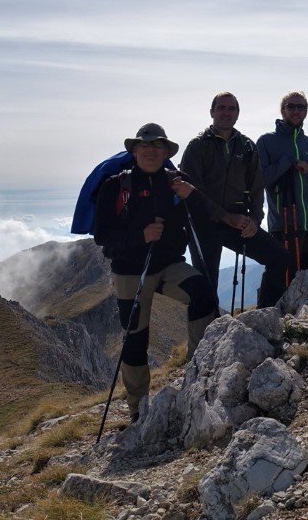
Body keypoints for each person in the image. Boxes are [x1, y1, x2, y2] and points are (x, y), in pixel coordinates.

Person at [94, 123, 215, 422]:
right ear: (133, 151)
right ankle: (138, 408)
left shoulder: (176, 182)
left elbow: (204, 215)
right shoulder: (115, 186)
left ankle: (197, 374)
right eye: (144, 146)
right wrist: (141, 235)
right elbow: (102, 235)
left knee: (202, 293)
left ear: (165, 152)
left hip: (168, 264)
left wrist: (192, 195)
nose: (150, 151)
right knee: (135, 337)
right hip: (129, 271)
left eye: (157, 147)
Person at [178, 92, 293, 309]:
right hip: (203, 225)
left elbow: (257, 188)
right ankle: (205, 339)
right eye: (221, 108)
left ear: (238, 114)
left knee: (280, 258)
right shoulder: (197, 147)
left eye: (231, 109)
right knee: (206, 286)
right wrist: (226, 216)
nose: (226, 113)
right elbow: (193, 192)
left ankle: (264, 316)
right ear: (212, 112)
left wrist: (255, 220)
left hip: (238, 222)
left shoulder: (247, 147)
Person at [257, 92, 308, 279]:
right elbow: (261, 179)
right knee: (283, 275)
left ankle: (302, 309)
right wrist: (290, 161)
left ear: (306, 112)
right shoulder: (266, 142)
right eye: (291, 106)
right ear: (283, 110)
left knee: (304, 275)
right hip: (283, 222)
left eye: (301, 107)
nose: (296, 111)